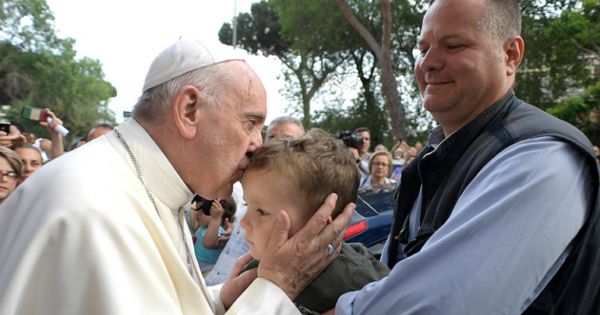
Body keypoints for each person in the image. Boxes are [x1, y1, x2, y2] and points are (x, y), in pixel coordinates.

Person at [0, 39, 353, 314]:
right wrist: (276, 285)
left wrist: (219, 301)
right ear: (189, 110)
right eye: (250, 122)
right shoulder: (95, 210)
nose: (257, 146)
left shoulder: (142, 186)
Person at [329, 0, 600, 314]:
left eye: (453, 46)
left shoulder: (541, 159)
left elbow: (439, 304)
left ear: (510, 55)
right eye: (423, 49)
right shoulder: (439, 156)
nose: (428, 63)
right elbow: (394, 275)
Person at [240, 129, 389, 314]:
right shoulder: (256, 271)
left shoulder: (358, 277)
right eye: (247, 204)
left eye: (261, 211)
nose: (244, 222)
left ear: (320, 225)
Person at [204, 115, 305, 285]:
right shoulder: (249, 179)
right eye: (272, 138)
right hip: (214, 285)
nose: (277, 145)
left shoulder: (298, 205)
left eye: (287, 140)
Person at [192, 196, 236, 274]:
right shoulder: (203, 226)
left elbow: (208, 244)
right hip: (194, 263)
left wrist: (216, 219)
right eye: (197, 210)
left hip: (204, 269)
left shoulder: (219, 231)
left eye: (203, 212)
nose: (197, 214)